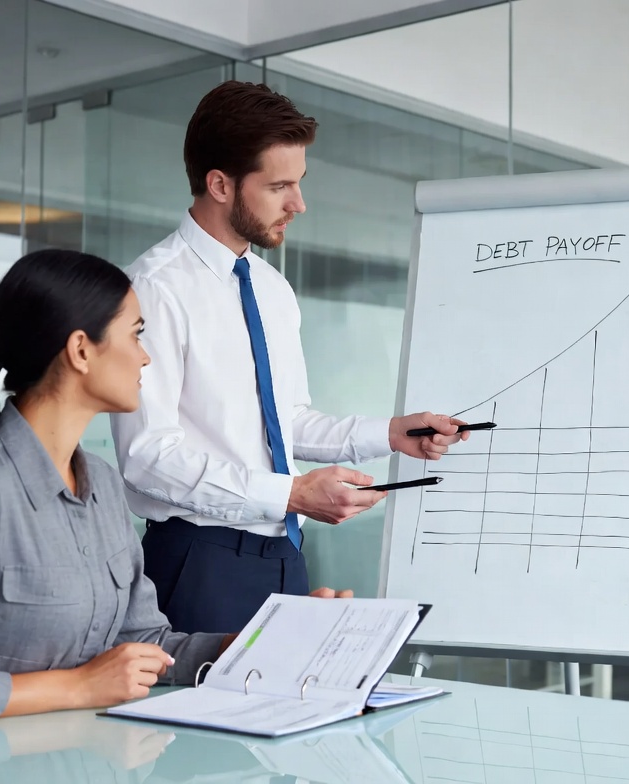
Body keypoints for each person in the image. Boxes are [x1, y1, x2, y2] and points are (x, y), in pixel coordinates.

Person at [111, 81, 467, 635]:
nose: (298, 204)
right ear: (220, 184)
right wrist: (294, 493)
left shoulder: (274, 291)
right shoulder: (154, 289)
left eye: (298, 184)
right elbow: (147, 456)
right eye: (279, 186)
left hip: (284, 556)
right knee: (190, 720)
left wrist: (392, 434)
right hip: (196, 563)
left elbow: (286, 421)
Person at [0, 249, 240, 731]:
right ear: (81, 350)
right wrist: (78, 686)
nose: (146, 356)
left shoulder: (101, 483)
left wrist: (259, 644)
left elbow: (143, 642)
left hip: (82, 755)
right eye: (137, 334)